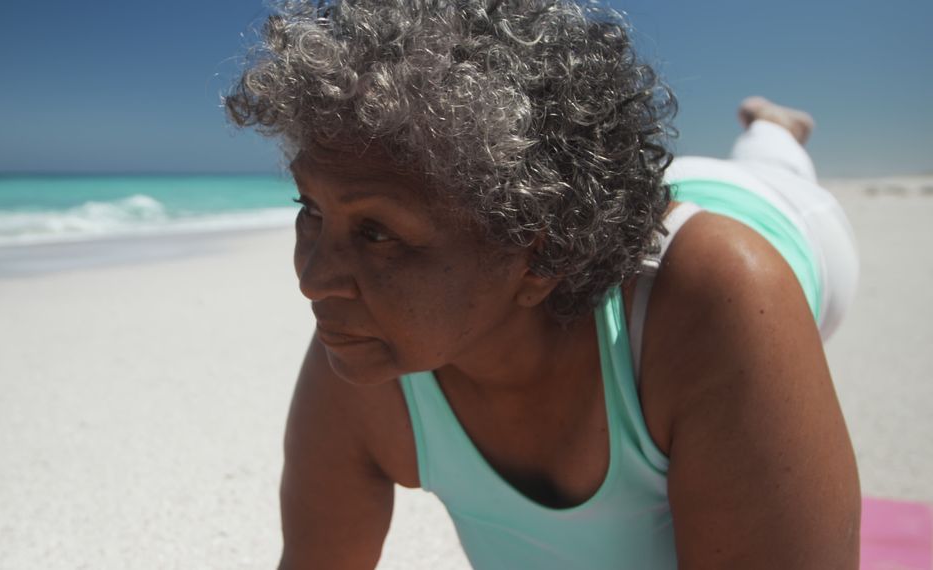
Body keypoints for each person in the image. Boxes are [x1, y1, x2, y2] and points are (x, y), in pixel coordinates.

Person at [225, 1, 861, 568]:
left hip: (774, 217)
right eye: (310, 209)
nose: (312, 281)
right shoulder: (368, 348)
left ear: (537, 253)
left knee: (770, 164)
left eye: (377, 232)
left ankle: (776, 132)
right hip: (598, 211)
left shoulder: (720, 299)